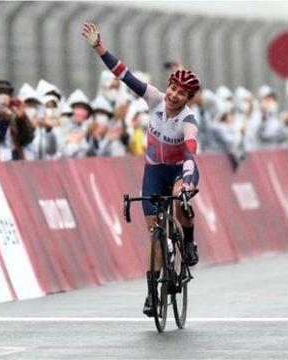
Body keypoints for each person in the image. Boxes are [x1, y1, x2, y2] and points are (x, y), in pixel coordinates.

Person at [82, 22, 200, 317]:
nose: (174, 95)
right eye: (173, 88)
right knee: (153, 232)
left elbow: (190, 154)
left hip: (178, 172)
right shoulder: (154, 98)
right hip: (153, 171)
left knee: (181, 203)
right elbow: (125, 75)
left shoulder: (188, 120)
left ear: (188, 99)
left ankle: (188, 242)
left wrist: (186, 184)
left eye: (181, 93)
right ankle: (151, 292)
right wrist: (100, 49)